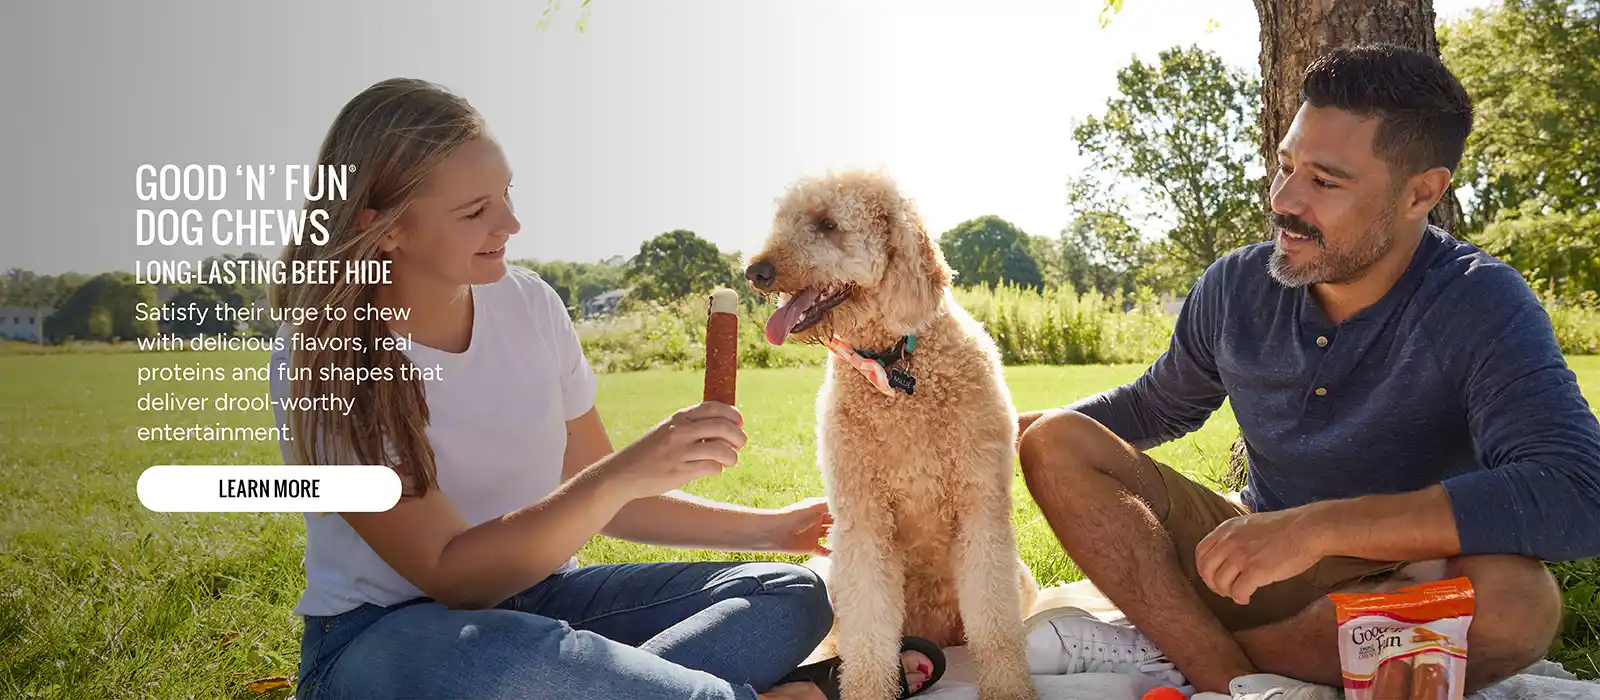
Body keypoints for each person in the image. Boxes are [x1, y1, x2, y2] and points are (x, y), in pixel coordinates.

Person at [267, 78, 938, 700]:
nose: (510, 225)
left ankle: (626, 685)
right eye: (475, 211)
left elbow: (606, 504)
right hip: (387, 636)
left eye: (507, 194)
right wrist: (623, 472)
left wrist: (774, 529)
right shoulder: (323, 358)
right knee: (511, 659)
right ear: (381, 227)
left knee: (785, 596)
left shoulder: (528, 304)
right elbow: (453, 574)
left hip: (547, 601)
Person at [1014, 44, 1600, 695]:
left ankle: (1176, 646)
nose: (1285, 200)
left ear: (1421, 193)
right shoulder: (1234, 285)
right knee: (1057, 440)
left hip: (1402, 586)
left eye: (1324, 181)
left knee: (1519, 601)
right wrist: (987, 431)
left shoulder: (1479, 300)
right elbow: (1158, 406)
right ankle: (1236, 679)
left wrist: (1318, 529)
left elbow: (1576, 487)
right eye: (1285, 167)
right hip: (1250, 565)